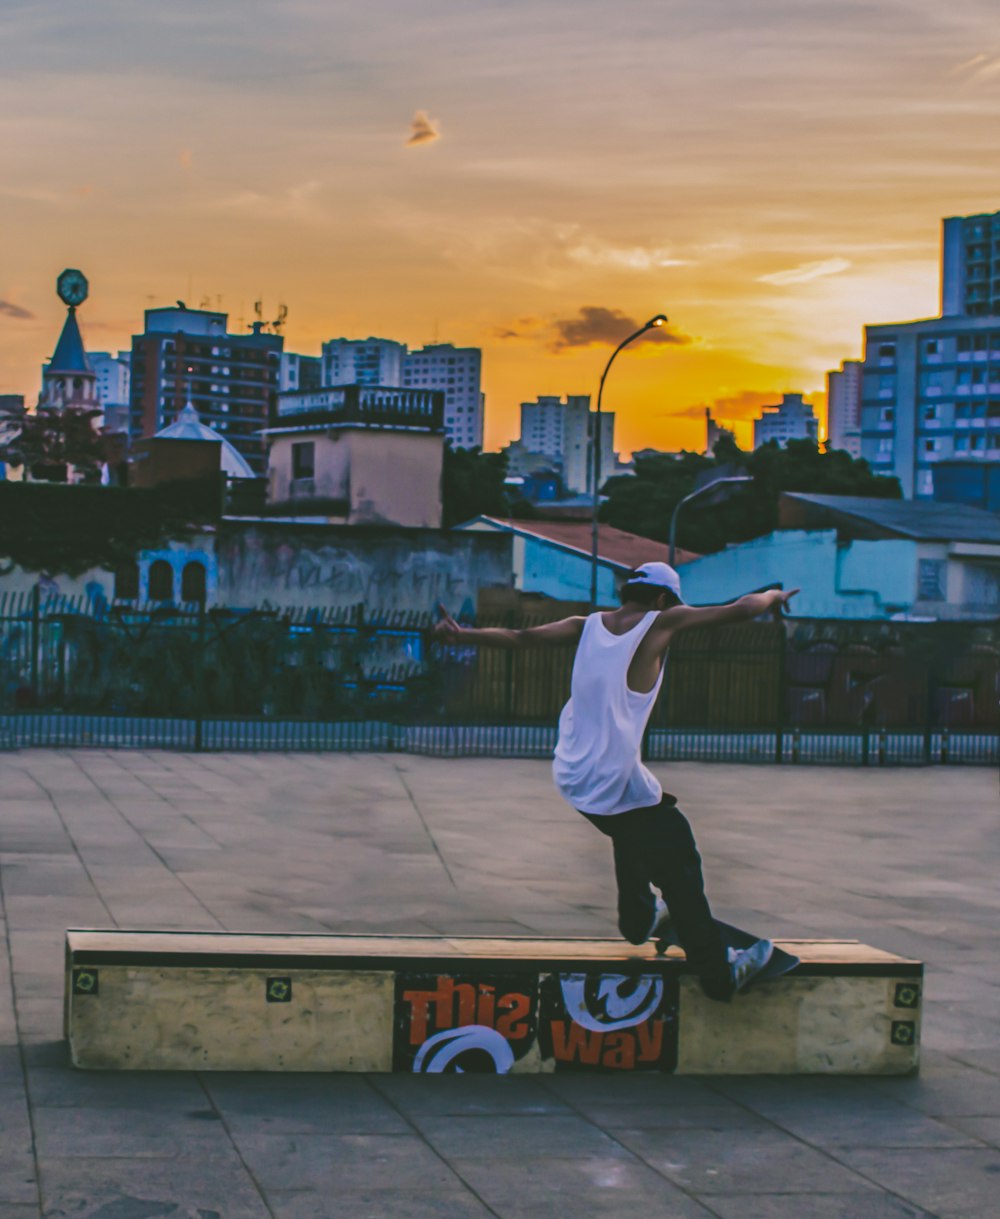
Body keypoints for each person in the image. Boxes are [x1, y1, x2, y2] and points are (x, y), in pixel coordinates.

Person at [434, 561, 798, 1001]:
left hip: (573, 771)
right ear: (664, 599)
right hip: (609, 776)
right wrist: (773, 597)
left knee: (640, 817)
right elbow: (740, 609)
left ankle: (639, 917)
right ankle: (719, 973)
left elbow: (519, 638)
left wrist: (462, 634)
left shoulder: (584, 624)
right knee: (678, 861)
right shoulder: (664, 621)